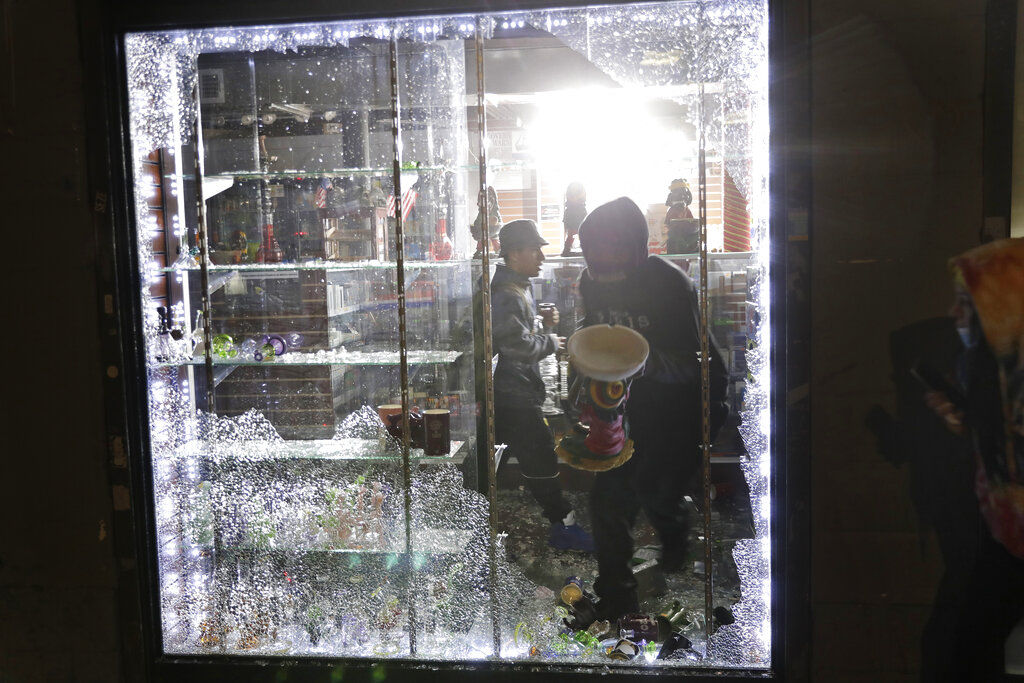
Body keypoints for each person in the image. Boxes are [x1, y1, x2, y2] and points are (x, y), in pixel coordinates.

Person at [575, 196, 729, 619]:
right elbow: (594, 333)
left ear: (638, 248)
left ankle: (674, 527)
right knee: (607, 500)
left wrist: (638, 364)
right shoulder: (590, 281)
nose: (602, 266)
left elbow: (696, 366)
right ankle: (616, 595)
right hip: (630, 408)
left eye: (612, 254)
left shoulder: (669, 284)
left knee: (656, 490)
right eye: (593, 256)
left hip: (686, 405)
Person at [923, 237, 1024, 682]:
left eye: (967, 302)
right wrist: (962, 422)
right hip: (1006, 537)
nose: (953, 313)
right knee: (966, 648)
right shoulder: (985, 366)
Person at [490, 219, 594, 552]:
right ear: (515, 252)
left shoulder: (517, 287)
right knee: (540, 458)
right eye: (535, 250)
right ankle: (562, 526)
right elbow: (515, 346)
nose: (541, 257)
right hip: (512, 393)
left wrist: (540, 325)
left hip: (513, 390)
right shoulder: (507, 293)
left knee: (506, 461)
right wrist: (550, 340)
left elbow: (516, 333)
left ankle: (479, 526)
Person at [562, 182, 587, 257]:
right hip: (573, 231)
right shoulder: (568, 211)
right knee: (571, 236)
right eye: (573, 194)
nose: (575, 197)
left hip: (579, 231)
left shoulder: (582, 210)